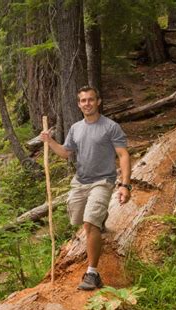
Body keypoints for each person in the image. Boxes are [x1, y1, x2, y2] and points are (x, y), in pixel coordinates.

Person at [40, 86, 131, 290]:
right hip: (80, 182)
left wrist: (125, 185)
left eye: (91, 100)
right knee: (78, 219)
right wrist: (50, 141)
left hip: (103, 181)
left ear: (98, 101)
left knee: (89, 224)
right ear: (79, 104)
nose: (87, 103)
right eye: (83, 101)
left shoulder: (110, 127)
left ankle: (92, 274)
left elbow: (123, 155)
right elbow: (65, 153)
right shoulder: (76, 128)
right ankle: (101, 218)